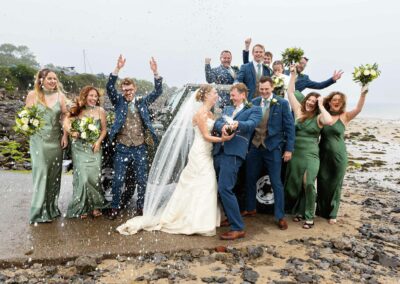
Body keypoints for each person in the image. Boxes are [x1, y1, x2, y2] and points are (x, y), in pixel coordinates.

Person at [117, 85, 234, 236]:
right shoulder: (200, 114)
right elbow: (205, 135)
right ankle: (195, 220)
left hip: (207, 151)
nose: (217, 95)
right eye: (214, 92)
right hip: (199, 152)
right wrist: (223, 139)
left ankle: (202, 217)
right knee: (205, 182)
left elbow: (214, 129)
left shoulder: (210, 113)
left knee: (204, 184)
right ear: (206, 96)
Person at [106, 55, 163, 219]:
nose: (127, 93)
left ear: (135, 89)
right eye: (124, 90)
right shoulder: (118, 101)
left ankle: (141, 207)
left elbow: (158, 91)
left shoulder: (142, 102)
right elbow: (109, 86)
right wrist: (117, 69)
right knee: (117, 179)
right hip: (122, 147)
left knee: (142, 180)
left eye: (130, 89)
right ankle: (115, 207)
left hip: (139, 147)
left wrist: (155, 72)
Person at [284, 65, 333, 229]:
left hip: (311, 154)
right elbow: (290, 93)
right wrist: (292, 75)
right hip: (296, 152)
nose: (311, 103)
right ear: (306, 101)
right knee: (295, 184)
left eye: (314, 101)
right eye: (310, 100)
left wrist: (321, 105)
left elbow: (329, 121)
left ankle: (309, 215)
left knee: (309, 183)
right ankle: (298, 210)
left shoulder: (319, 117)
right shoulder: (298, 111)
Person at [243, 76, 295, 230]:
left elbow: (290, 128)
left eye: (267, 89)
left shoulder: (282, 103)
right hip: (254, 146)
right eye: (262, 89)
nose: (264, 92)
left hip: (273, 148)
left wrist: (289, 149)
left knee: (276, 182)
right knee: (250, 178)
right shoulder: (254, 102)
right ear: (259, 88)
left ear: (272, 87)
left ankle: (280, 216)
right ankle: (251, 208)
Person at [213, 83, 263, 240]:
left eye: (233, 94)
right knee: (220, 188)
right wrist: (222, 127)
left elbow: (251, 125)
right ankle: (229, 216)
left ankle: (238, 227)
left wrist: (236, 124)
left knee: (225, 188)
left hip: (234, 153)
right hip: (219, 151)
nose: (231, 97)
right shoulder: (227, 109)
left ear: (243, 95)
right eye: (230, 95)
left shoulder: (254, 109)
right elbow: (217, 122)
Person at [317, 86, 368, 224]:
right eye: (334, 99)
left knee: (335, 184)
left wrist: (363, 94)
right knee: (322, 182)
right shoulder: (322, 115)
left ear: (342, 102)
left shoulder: (345, 116)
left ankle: (332, 213)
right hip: (323, 155)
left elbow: (358, 109)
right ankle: (321, 211)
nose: (337, 101)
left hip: (339, 156)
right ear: (329, 102)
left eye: (339, 100)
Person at [25, 69, 69, 223]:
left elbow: (64, 116)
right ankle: (38, 211)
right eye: (49, 78)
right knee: (41, 173)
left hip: (55, 140)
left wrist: (65, 135)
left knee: (53, 176)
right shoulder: (33, 95)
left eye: (55, 79)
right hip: (38, 140)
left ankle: (50, 208)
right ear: (41, 80)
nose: (52, 81)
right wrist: (27, 127)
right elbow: (27, 116)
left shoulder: (60, 96)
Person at [64, 86, 108, 219]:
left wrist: (98, 142)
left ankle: (95, 206)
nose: (94, 98)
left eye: (95, 96)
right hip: (79, 148)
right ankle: (81, 206)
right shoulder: (77, 109)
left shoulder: (101, 111)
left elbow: (104, 130)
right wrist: (71, 132)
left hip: (94, 148)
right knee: (82, 178)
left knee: (94, 178)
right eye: (91, 95)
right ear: (85, 96)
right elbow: (66, 122)